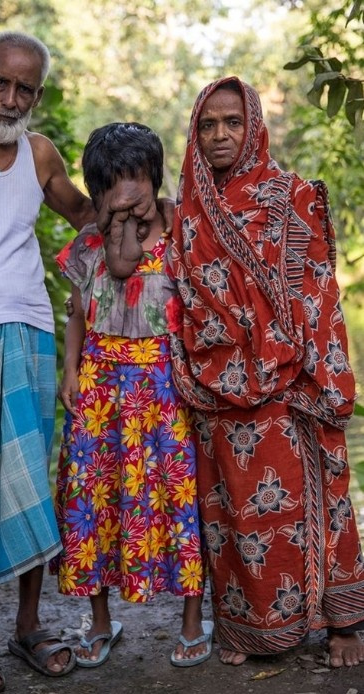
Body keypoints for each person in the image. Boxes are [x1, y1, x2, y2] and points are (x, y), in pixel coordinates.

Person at [0, 32, 167, 694]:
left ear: (37, 95)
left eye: (24, 88)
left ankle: (26, 625)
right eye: (0, 83)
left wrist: (147, 206)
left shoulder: (39, 153)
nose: (10, 98)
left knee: (29, 484)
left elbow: (87, 215)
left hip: (28, 332)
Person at [169, 75, 364, 668]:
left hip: (292, 381)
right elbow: (178, 297)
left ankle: (343, 625)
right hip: (216, 385)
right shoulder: (187, 213)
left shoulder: (291, 196)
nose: (220, 135)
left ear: (253, 125)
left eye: (232, 122)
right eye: (208, 125)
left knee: (319, 497)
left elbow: (319, 291)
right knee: (234, 508)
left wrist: (317, 373)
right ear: (195, 134)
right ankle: (253, 630)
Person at [50, 122, 213, 669]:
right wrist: (70, 370)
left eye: (135, 178)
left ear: (154, 177)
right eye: (112, 185)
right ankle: (99, 619)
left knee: (178, 499)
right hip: (99, 388)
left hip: (165, 389)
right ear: (96, 193)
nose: (125, 195)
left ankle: (193, 621)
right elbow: (77, 314)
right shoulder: (89, 246)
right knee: (91, 501)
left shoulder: (180, 235)